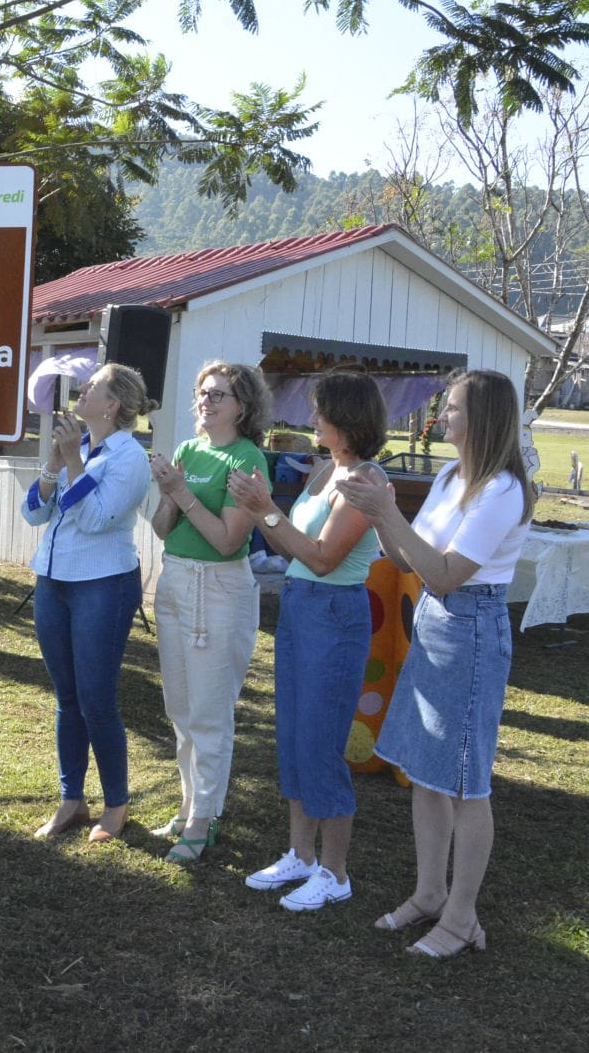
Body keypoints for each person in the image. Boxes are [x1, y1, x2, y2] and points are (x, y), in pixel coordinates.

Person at [334, 369, 533, 958]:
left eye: (453, 407)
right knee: (427, 772)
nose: (442, 415)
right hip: (435, 624)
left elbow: (445, 575)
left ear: (482, 418)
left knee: (466, 782)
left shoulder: (503, 490)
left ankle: (462, 917)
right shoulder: (451, 477)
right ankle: (429, 894)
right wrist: (379, 512)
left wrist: (387, 511)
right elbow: (405, 558)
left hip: (471, 628)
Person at [226, 369, 390, 910]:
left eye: (322, 410)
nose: (313, 418)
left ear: (348, 418)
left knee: (321, 742)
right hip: (300, 608)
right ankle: (301, 855)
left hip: (334, 614)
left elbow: (322, 557)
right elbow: (290, 544)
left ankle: (335, 873)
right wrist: (263, 511)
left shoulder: (366, 479)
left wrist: (264, 509)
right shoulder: (324, 469)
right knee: (295, 735)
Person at [21, 363, 153, 844]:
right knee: (68, 697)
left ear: (112, 405)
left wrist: (74, 462)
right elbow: (33, 513)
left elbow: (97, 520)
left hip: (103, 585)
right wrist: (52, 466)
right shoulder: (79, 448)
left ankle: (116, 804)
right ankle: (71, 799)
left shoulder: (129, 458)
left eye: (92, 385)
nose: (82, 388)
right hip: (54, 582)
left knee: (96, 699)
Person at [148, 362, 273, 863]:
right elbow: (162, 528)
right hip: (176, 579)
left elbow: (226, 541)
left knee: (209, 712)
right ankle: (188, 807)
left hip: (218, 589)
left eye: (219, 394)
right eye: (203, 392)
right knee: (180, 708)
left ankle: (204, 818)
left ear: (243, 406)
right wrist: (168, 493)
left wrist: (182, 493)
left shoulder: (247, 459)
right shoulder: (187, 450)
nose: (206, 401)